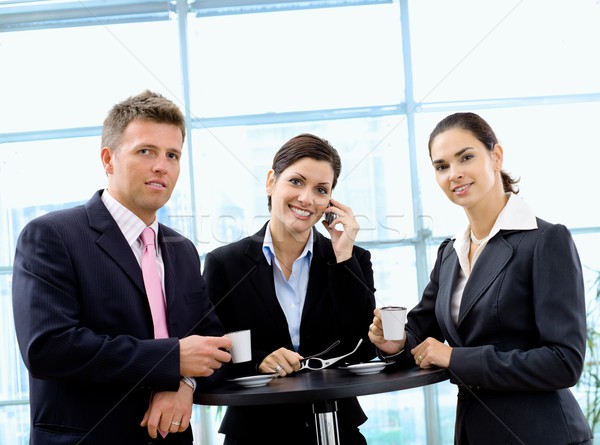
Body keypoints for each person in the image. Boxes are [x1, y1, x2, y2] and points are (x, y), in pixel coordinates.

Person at [12, 90, 232, 445]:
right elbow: (49, 349)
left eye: (172, 155)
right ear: (108, 159)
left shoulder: (182, 250)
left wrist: (184, 382)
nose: (162, 165)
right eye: (146, 151)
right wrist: (172, 360)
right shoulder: (52, 235)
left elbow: (212, 345)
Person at [368, 112, 593, 444]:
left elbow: (564, 362)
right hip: (474, 433)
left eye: (466, 157)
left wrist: (456, 358)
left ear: (496, 156)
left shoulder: (545, 240)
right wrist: (395, 343)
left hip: (541, 433)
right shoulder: (450, 253)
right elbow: (418, 334)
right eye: (441, 166)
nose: (454, 173)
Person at [203, 133, 376, 444]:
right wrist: (258, 359)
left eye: (321, 190)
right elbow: (214, 344)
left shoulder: (350, 258)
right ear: (271, 182)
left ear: (330, 203)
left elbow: (362, 344)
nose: (307, 199)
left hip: (337, 426)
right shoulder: (225, 264)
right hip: (255, 431)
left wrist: (343, 257)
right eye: (296, 182)